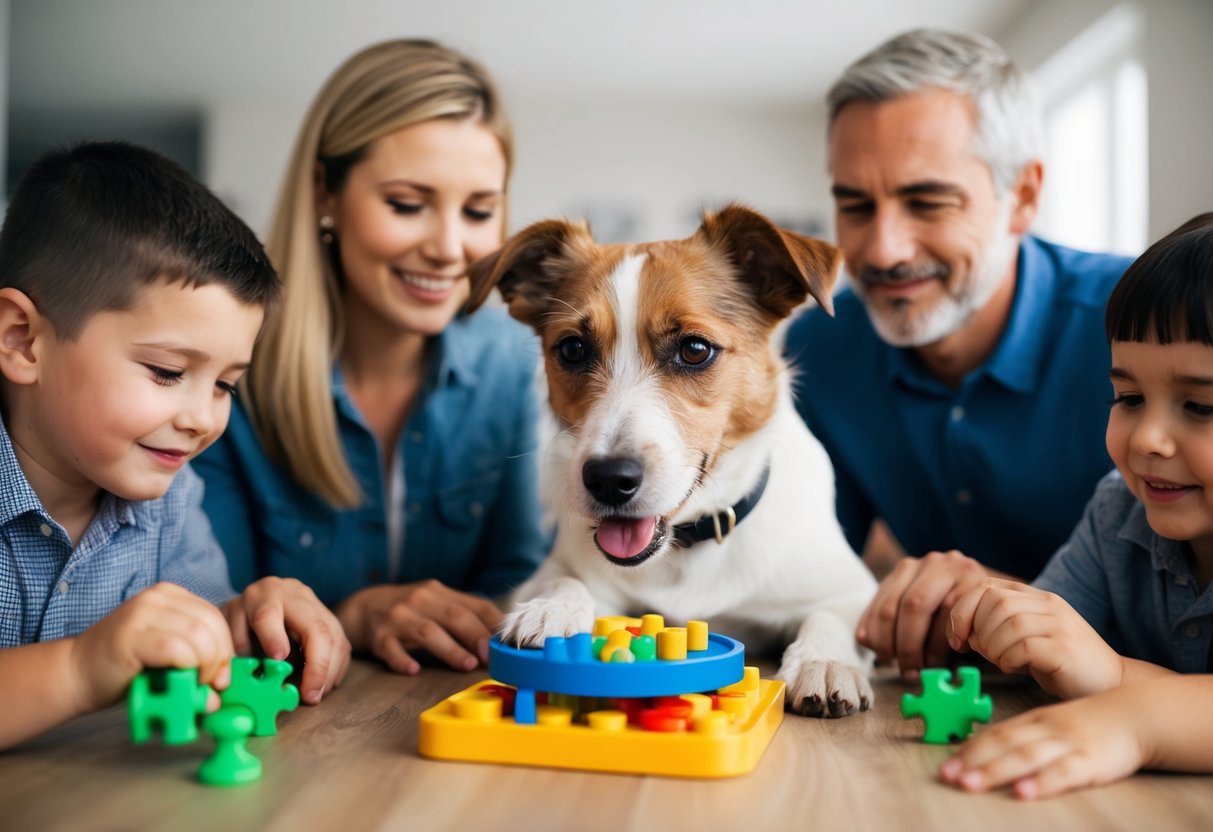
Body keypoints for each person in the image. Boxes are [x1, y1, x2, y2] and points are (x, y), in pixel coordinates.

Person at [783, 28, 1134, 677]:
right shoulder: (818, 349)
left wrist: (1007, 602)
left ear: (1022, 197)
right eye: (855, 206)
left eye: (926, 202)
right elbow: (798, 570)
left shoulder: (1141, 326)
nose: (883, 249)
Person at [192, 40, 547, 677]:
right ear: (326, 192)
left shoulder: (515, 365)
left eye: (478, 211)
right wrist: (356, 614)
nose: (448, 248)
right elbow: (219, 606)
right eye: (407, 204)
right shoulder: (229, 376)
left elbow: (520, 584)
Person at [0, 142, 350, 750]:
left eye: (224, 385)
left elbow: (194, 645)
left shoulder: (171, 498)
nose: (201, 419)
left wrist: (244, 622)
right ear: (23, 340)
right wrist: (79, 669)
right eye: (166, 371)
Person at [939, 214, 1213, 798]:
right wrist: (1000, 623)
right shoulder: (1120, 509)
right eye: (1130, 398)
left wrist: (1128, 704)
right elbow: (1051, 637)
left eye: (1200, 407)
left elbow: (1101, 674)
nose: (1146, 441)